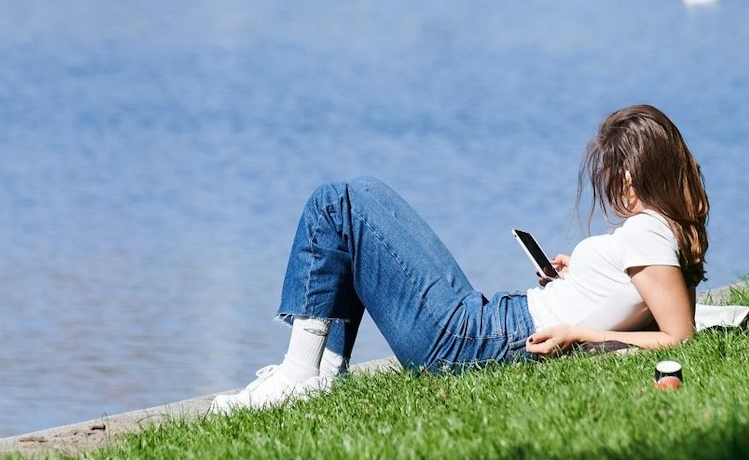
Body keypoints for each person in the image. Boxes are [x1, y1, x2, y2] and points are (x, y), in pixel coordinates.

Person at [212, 104, 710, 414]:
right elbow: (645, 305)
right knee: (357, 200)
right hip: (492, 326)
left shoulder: (648, 233)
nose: (612, 186)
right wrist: (574, 282)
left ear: (636, 172)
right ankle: (319, 375)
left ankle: (300, 374)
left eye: (614, 172)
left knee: (340, 202)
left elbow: (678, 337)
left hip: (480, 340)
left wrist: (580, 333)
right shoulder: (660, 234)